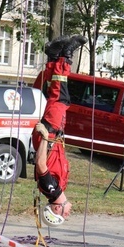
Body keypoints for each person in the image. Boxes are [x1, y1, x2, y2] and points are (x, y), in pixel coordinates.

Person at [32, 35, 87, 227]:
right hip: (52, 136)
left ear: (57, 209)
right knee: (55, 97)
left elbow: (41, 164)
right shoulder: (58, 189)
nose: (68, 212)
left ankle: (64, 56)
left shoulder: (51, 190)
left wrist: (46, 137)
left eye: (65, 214)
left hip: (50, 135)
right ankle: (55, 56)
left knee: (60, 99)